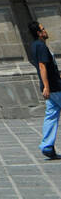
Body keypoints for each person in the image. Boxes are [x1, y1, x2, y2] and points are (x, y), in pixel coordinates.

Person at [27, 21, 61, 161]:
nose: (45, 30)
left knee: (51, 115)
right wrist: (47, 86)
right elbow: (42, 66)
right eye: (43, 29)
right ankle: (47, 145)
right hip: (54, 87)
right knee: (51, 115)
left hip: (51, 85)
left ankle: (47, 146)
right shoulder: (41, 46)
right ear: (39, 33)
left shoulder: (35, 46)